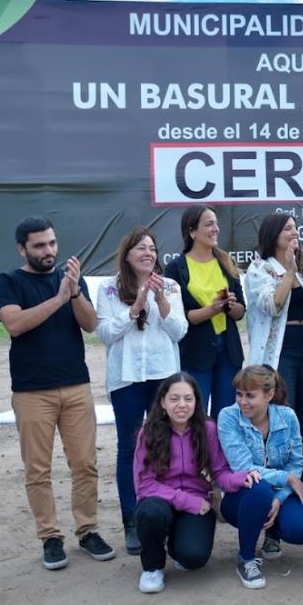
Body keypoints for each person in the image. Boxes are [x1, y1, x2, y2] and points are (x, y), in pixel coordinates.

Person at [0, 217, 115, 570]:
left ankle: (88, 530)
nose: (48, 251)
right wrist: (58, 297)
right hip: (32, 391)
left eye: (52, 243)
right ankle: (50, 537)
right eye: (39, 246)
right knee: (38, 470)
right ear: (22, 249)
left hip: (76, 385)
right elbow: (15, 325)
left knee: (85, 464)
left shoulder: (71, 281)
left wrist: (73, 292)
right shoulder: (9, 282)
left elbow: (91, 325)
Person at [96, 227, 187, 555]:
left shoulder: (171, 286)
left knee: (166, 445)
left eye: (152, 248)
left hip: (164, 379)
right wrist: (134, 306)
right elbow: (105, 334)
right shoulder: (108, 288)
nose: (148, 254)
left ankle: (168, 511)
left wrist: (161, 301)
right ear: (127, 254)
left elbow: (179, 331)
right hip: (127, 379)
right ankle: (132, 521)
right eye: (141, 249)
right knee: (130, 448)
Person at [133, 373, 256, 594]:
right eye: (174, 399)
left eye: (188, 399)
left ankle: (178, 543)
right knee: (150, 513)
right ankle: (152, 567)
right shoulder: (148, 433)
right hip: (160, 500)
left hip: (197, 502)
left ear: (197, 401)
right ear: (162, 401)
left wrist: (241, 478)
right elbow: (145, 485)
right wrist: (186, 500)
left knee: (193, 558)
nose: (182, 405)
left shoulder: (208, 429)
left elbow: (219, 471)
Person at [243, 213, 303, 499]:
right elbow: (271, 305)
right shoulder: (260, 268)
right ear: (273, 234)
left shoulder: (301, 266)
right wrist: (290, 272)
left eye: (295, 228)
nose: (294, 232)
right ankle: (285, 487)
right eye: (287, 228)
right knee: (282, 415)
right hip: (281, 351)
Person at [217, 366, 303, 589]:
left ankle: (273, 533)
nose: (243, 401)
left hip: (279, 492)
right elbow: (243, 468)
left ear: (269, 395)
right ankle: (246, 558)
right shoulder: (228, 417)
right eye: (239, 394)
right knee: (259, 488)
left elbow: (296, 463)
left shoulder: (288, 417)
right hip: (244, 494)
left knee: (302, 529)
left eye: (250, 395)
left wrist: (280, 498)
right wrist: (288, 479)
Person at [163, 205, 246, 419]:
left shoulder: (225, 261)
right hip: (195, 353)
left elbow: (240, 311)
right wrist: (212, 309)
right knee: (195, 415)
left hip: (229, 351)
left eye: (216, 223)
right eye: (209, 224)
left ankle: (220, 454)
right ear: (192, 231)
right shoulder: (175, 268)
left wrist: (231, 306)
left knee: (226, 416)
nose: (215, 228)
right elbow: (179, 317)